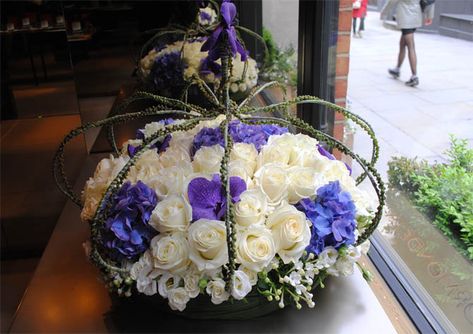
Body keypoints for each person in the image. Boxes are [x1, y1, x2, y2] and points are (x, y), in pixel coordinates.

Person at [381, 0, 435, 87]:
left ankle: (414, 76)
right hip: (416, 16)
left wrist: (384, 11)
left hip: (406, 17)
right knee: (402, 44)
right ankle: (397, 69)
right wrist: (430, 16)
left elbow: (392, 1)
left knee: (410, 46)